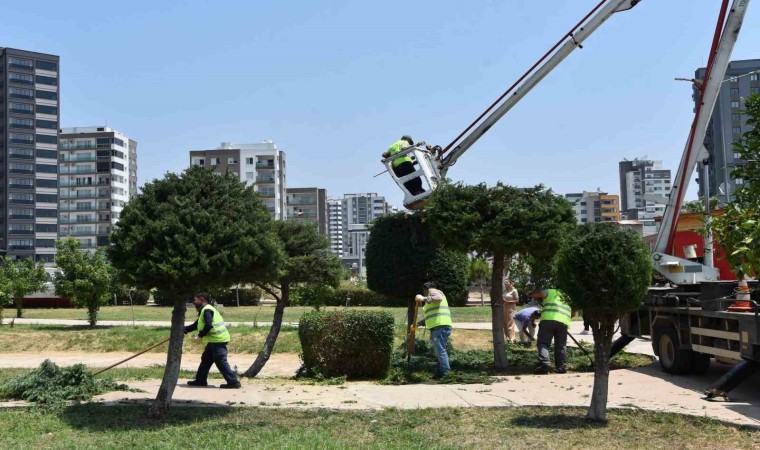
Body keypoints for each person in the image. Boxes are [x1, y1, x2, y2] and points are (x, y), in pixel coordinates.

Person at [184, 292, 241, 389]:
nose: (193, 302)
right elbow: (196, 325)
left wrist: (200, 336)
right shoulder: (204, 310)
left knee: (220, 361)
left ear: (201, 300)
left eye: (195, 300)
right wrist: (184, 329)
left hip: (218, 339)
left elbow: (209, 325)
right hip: (214, 340)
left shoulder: (207, 310)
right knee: (206, 359)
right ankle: (200, 380)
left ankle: (233, 382)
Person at [528, 288, 573, 374]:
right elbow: (573, 313)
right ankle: (561, 367)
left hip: (548, 320)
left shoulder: (551, 291)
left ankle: (544, 363)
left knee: (543, 343)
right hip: (563, 322)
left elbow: (539, 294)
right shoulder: (568, 297)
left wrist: (531, 293)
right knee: (561, 346)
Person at [415, 281, 452, 378]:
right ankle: (440, 373)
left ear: (426, 288)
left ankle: (446, 374)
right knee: (439, 351)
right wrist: (418, 324)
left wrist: (422, 298)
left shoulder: (435, 292)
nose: (424, 293)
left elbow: (438, 298)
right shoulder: (430, 301)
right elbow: (430, 317)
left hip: (440, 326)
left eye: (424, 291)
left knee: (440, 350)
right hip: (438, 327)